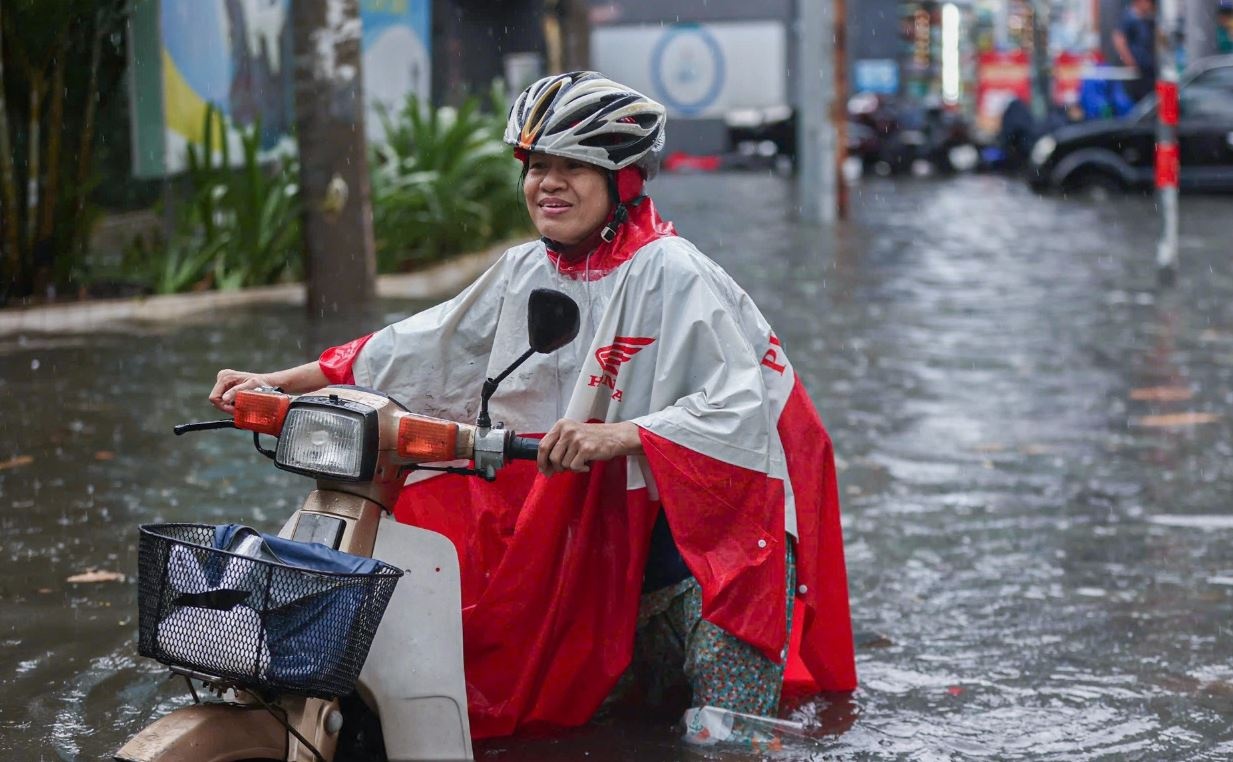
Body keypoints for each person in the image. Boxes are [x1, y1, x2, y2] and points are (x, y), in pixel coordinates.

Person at [209, 71, 856, 741]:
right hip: (597, 555)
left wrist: (623, 434)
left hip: (711, 561)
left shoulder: (673, 270)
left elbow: (740, 408)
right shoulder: (525, 270)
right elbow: (420, 347)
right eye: (537, 165)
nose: (549, 182)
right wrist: (280, 383)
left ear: (623, 180)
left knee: (724, 740)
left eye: (573, 166)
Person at [1113, 0, 1158, 103]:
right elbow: (1119, 40)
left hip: (1148, 69)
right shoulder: (1128, 18)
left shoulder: (1147, 19)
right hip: (1136, 70)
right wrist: (1130, 61)